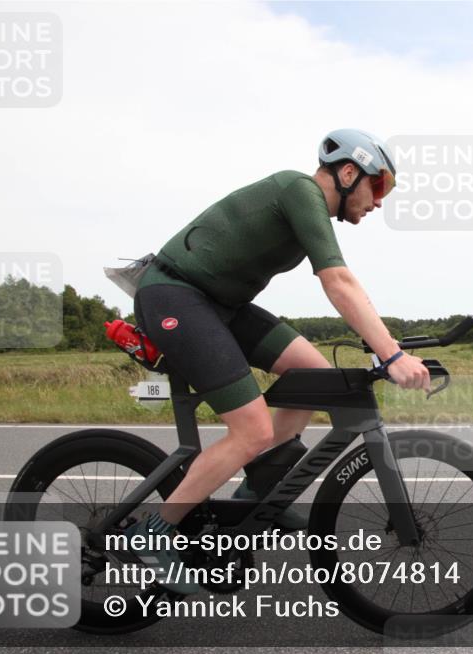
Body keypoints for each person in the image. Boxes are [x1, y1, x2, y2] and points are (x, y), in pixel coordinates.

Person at [126, 129, 431, 593]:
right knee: (253, 430)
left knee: (316, 379)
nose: (379, 201)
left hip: (218, 304)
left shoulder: (310, 206)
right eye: (379, 186)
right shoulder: (299, 190)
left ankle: (256, 494)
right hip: (175, 296)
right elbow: (338, 282)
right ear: (349, 173)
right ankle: (150, 533)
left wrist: (388, 345)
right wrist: (391, 355)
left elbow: (345, 285)